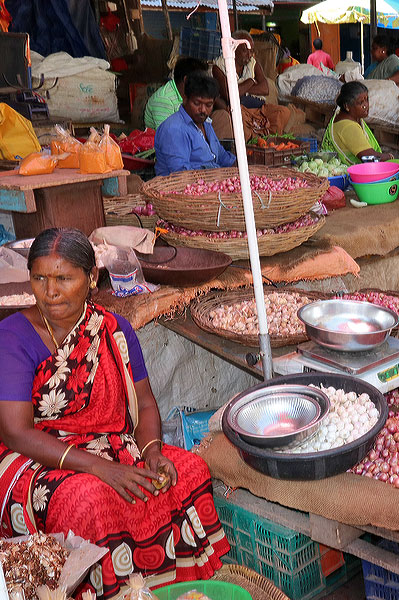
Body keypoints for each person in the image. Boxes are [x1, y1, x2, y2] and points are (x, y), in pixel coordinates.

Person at [0, 228, 229, 599]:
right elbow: (15, 432)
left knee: (187, 470)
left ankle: (174, 588)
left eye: (64, 278)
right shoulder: (12, 336)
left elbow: (146, 403)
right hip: (34, 456)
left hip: (110, 443)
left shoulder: (113, 329)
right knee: (89, 501)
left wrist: (152, 452)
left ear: (92, 278)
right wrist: (99, 467)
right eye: (39, 278)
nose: (50, 291)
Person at [154, 73, 236, 176]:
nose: (203, 110)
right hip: (182, 188)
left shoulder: (206, 124)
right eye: (197, 103)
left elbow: (223, 158)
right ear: (185, 99)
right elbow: (182, 174)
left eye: (208, 105)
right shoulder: (174, 129)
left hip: (211, 182)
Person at [322, 81, 394, 165]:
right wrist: (390, 156)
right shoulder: (348, 127)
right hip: (350, 174)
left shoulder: (348, 118)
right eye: (361, 102)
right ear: (347, 106)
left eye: (367, 100)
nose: (366, 105)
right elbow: (370, 158)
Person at [143, 56, 207, 130]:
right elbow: (167, 136)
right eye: (200, 81)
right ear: (186, 80)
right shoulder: (164, 99)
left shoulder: (189, 95)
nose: (203, 85)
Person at [211, 30, 269, 110]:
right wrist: (251, 81)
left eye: (251, 51)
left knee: (284, 111)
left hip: (255, 106)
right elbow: (228, 94)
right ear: (234, 48)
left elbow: (265, 89)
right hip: (237, 108)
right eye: (245, 51)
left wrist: (240, 90)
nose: (249, 55)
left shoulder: (252, 63)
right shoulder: (219, 66)